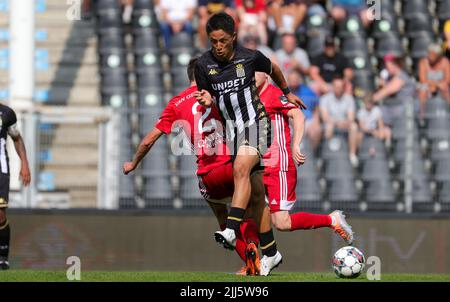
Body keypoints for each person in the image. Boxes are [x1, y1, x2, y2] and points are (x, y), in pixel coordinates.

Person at [123, 58, 262, 276]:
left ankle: (248, 259)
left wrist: (133, 163)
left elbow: (149, 139)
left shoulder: (176, 103)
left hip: (207, 174)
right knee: (249, 210)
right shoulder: (218, 94)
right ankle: (253, 247)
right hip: (231, 165)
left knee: (224, 220)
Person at [194, 12, 306, 276]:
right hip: (234, 132)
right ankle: (271, 252)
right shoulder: (203, 64)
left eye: (222, 40)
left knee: (240, 168)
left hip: (257, 124)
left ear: (233, 37)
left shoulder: (251, 57)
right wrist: (207, 99)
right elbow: (205, 93)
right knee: (257, 198)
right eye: (213, 41)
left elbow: (274, 69)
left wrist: (287, 92)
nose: (218, 46)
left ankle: (231, 230)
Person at [256, 72, 354, 243]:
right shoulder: (247, 96)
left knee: (282, 222)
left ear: (266, 75)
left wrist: (295, 144)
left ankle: (332, 220)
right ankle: (256, 260)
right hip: (257, 165)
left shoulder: (273, 93)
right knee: (253, 214)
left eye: (255, 71)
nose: (250, 74)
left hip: (277, 165)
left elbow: (298, 114)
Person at [0, 103, 31, 270]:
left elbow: (17, 138)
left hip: (0, 170)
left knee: (0, 215)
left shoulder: (6, 113)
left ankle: (3, 257)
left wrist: (24, 164)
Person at [319, 75, 360, 167]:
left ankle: (352, 154)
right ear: (333, 87)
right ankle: (325, 155)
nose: (338, 89)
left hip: (344, 123)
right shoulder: (325, 98)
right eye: (336, 87)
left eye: (340, 87)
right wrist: (336, 123)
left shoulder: (349, 99)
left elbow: (351, 118)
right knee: (329, 126)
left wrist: (343, 123)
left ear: (343, 88)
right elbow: (325, 117)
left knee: (354, 126)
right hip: (330, 123)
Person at [373, 54, 417, 127]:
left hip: (403, 111)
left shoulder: (401, 77)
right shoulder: (391, 78)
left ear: (396, 65)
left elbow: (384, 92)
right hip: (395, 109)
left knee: (376, 111)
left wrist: (369, 100)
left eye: (388, 67)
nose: (386, 69)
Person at [287, 70, 322, 151]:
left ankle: (313, 154)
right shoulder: (282, 93)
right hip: (289, 122)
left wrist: (316, 121)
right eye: (292, 79)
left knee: (316, 130)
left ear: (299, 79)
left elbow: (316, 106)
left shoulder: (308, 91)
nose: (294, 80)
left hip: (308, 120)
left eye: (296, 78)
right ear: (288, 80)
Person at [418, 44, 450, 118]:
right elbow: (423, 79)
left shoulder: (445, 62)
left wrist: (439, 85)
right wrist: (436, 85)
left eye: (433, 55)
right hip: (428, 86)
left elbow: (448, 79)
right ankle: (422, 116)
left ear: (438, 56)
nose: (430, 56)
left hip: (442, 86)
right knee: (423, 91)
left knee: (446, 90)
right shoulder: (423, 62)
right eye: (429, 54)